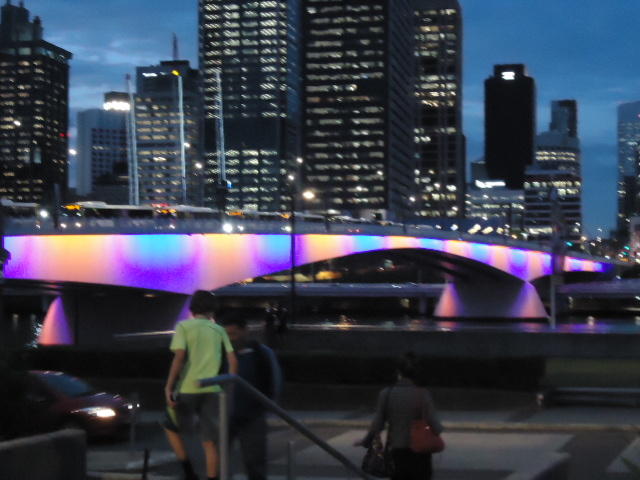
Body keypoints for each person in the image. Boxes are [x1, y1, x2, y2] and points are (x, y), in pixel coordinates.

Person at [163, 290, 238, 480]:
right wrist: (229, 386)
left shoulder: (184, 326)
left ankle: (189, 473)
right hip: (213, 389)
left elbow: (179, 358)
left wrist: (169, 386)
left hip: (188, 388)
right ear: (212, 310)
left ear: (192, 309)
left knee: (170, 426)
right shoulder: (219, 330)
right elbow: (232, 360)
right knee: (209, 441)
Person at [356, 353, 443, 480]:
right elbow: (436, 427)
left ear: (398, 373)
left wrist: (365, 441)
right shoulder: (423, 394)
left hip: (397, 451)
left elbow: (377, 424)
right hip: (421, 453)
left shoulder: (387, 394)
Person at [223, 314, 282, 480]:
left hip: (253, 414)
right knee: (220, 460)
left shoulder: (261, 353)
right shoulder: (222, 353)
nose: (230, 339)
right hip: (224, 413)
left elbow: (274, 380)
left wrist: (268, 405)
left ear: (245, 331)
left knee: (254, 461)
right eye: (226, 335)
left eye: (233, 334)